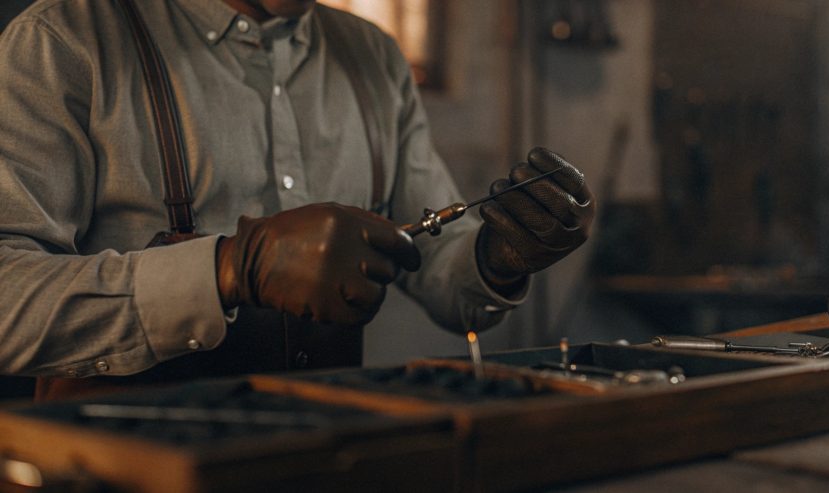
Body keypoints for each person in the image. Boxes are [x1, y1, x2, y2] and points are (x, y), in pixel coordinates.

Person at [0, 0, 595, 393]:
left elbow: (439, 262)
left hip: (321, 457)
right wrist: (230, 269)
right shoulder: (62, 42)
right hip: (126, 469)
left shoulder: (373, 58)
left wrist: (496, 258)